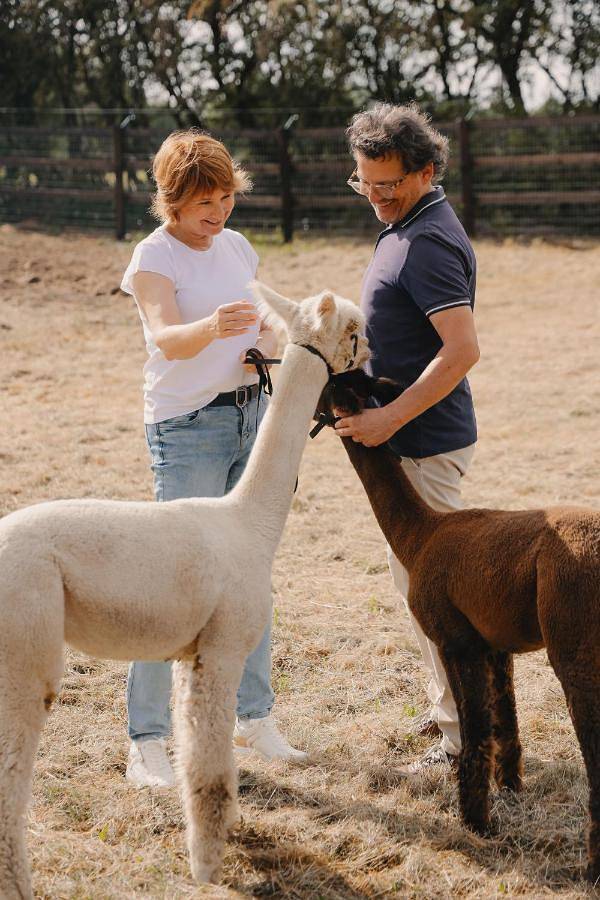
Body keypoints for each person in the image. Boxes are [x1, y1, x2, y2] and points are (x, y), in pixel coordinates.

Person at [120, 130, 307, 789]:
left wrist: (268, 334)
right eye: (205, 202)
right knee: (171, 579)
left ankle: (253, 717)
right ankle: (146, 739)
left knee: (250, 573)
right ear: (172, 200)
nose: (219, 212)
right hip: (187, 426)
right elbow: (166, 338)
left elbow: (260, 322)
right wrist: (215, 328)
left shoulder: (237, 245)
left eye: (227, 197)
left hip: (247, 415)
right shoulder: (153, 257)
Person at [337, 102, 480, 773]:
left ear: (426, 171)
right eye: (365, 183)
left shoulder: (427, 243)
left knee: (438, 593)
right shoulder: (405, 223)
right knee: (413, 587)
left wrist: (388, 419)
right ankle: (447, 710)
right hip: (406, 442)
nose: (375, 198)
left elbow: (460, 351)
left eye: (388, 186)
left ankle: (463, 738)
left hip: (425, 444)